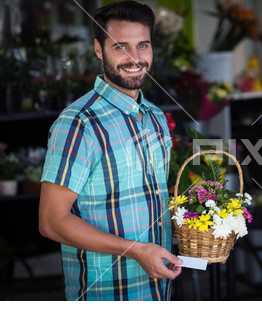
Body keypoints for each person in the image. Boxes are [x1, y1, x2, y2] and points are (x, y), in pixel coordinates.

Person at [39, 1, 182, 301]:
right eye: (120, 47)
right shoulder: (79, 123)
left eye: (142, 45)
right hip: (106, 295)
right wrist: (137, 251)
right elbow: (52, 221)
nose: (135, 58)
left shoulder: (155, 117)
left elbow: (153, 202)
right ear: (98, 49)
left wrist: (208, 234)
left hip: (158, 290)